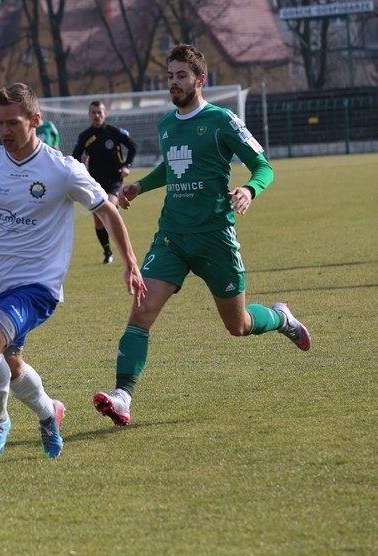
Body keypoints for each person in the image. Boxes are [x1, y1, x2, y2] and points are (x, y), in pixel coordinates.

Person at [0, 83, 145, 461]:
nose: (5, 131)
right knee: (9, 362)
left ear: (35, 121)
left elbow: (107, 211)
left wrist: (130, 263)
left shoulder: (62, 169)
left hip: (39, 286)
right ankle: (47, 412)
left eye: (13, 123)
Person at [92, 44, 312, 428]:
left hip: (215, 238)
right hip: (172, 238)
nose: (173, 82)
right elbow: (173, 167)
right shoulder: (166, 125)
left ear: (200, 80)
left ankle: (280, 318)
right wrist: (141, 185)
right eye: (169, 75)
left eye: (180, 76)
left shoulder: (222, 121)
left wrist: (248, 189)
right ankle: (122, 396)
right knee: (141, 311)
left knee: (238, 325)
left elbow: (263, 166)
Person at [72, 100, 138, 264]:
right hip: (95, 181)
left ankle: (114, 212)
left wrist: (126, 165)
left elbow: (133, 146)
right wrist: (82, 162)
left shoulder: (114, 132)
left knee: (109, 203)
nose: (97, 115)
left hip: (114, 179)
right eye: (93, 112)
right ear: (89, 115)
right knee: (99, 220)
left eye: (99, 112)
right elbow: (74, 157)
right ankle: (107, 252)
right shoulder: (85, 136)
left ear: (105, 114)